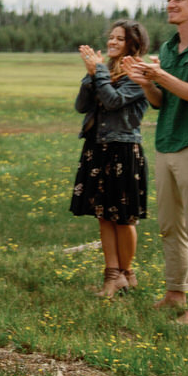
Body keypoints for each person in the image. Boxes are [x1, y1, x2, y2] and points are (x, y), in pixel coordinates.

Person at [123, 0, 188, 326]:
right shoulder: (170, 44)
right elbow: (162, 102)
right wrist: (148, 84)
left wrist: (159, 76)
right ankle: (176, 292)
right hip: (167, 143)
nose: (170, 5)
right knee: (169, 225)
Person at [69, 20, 150, 298]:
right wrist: (90, 75)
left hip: (123, 149)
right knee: (104, 216)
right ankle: (112, 275)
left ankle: (127, 273)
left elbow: (115, 101)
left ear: (133, 43)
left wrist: (98, 72)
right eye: (111, 37)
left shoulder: (138, 72)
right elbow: (81, 106)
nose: (112, 42)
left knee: (124, 217)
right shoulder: (104, 70)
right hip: (98, 148)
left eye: (120, 38)